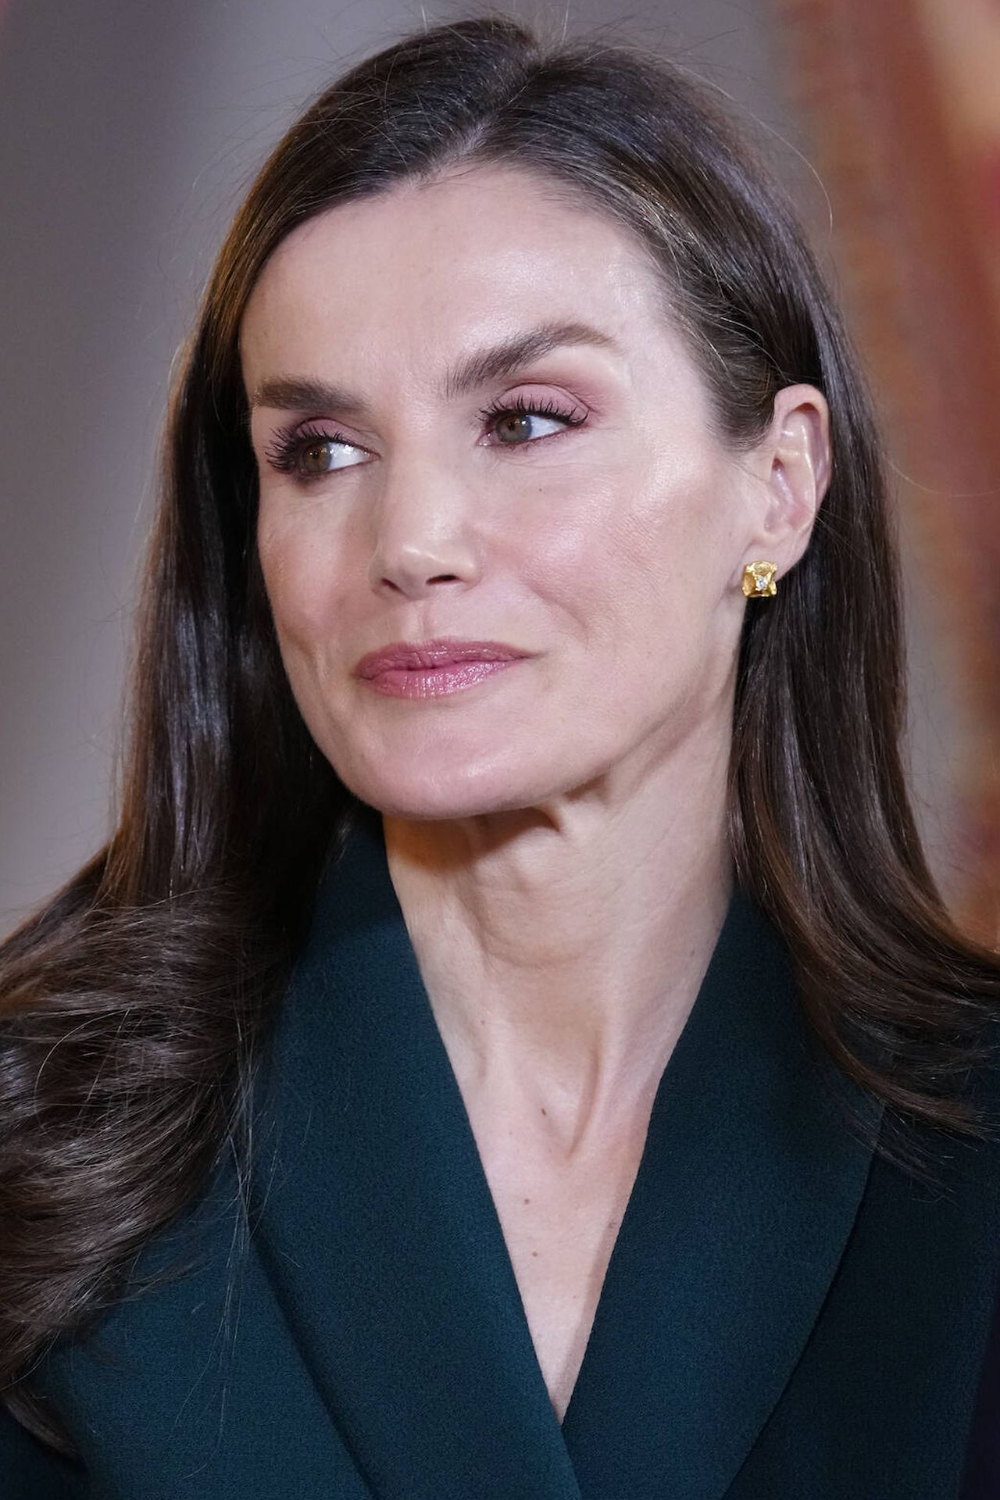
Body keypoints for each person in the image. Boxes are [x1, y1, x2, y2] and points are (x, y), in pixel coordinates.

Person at [2, 12, 1000, 1498]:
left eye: (527, 420)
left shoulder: (976, 1146)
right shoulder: (46, 1129)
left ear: (778, 487)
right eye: (320, 451)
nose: (408, 542)